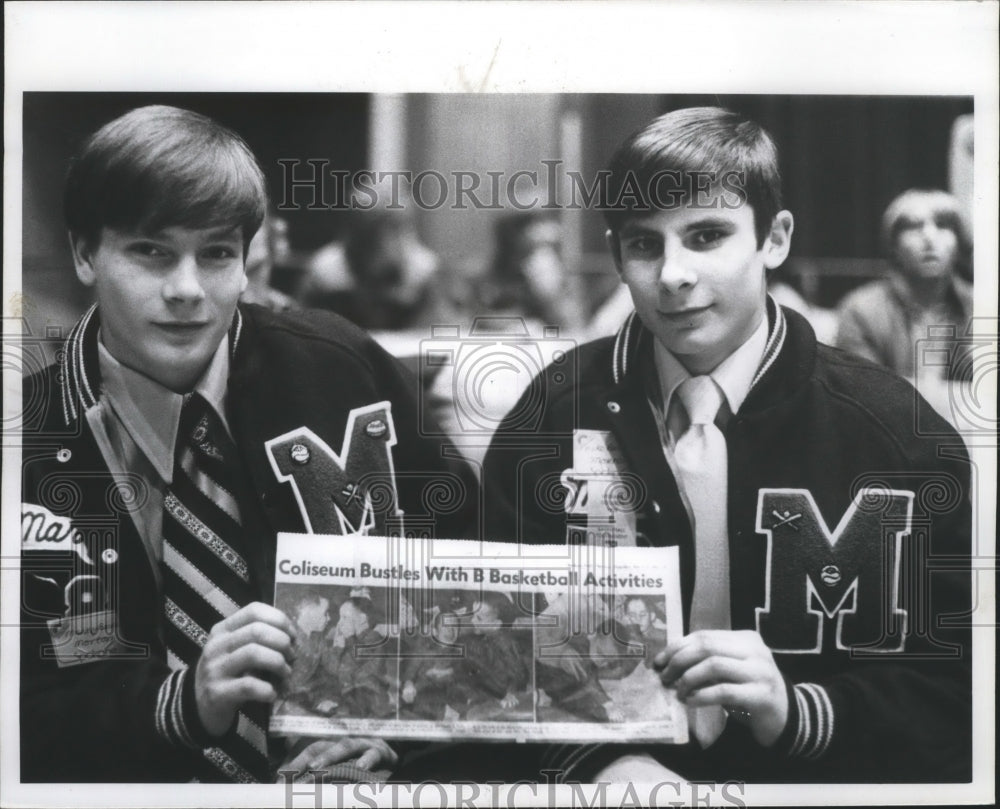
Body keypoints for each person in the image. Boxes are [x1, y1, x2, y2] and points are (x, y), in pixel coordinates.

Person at [481, 107, 971, 783]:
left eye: (706, 235)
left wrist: (799, 709)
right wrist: (602, 759)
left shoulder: (893, 435)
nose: (673, 274)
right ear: (618, 254)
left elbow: (957, 691)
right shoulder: (551, 414)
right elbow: (489, 649)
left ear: (775, 238)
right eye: (644, 244)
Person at [19, 105, 478, 783]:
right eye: (150, 250)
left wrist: (398, 734)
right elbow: (23, 714)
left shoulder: (340, 368)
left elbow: (472, 571)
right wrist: (182, 700)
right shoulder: (30, 439)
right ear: (86, 252)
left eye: (216, 253)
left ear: (246, 261)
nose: (186, 289)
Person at [835, 188, 974, 388]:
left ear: (959, 242)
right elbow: (865, 395)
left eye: (943, 225)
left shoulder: (980, 309)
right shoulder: (861, 311)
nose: (929, 237)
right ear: (893, 245)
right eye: (914, 226)